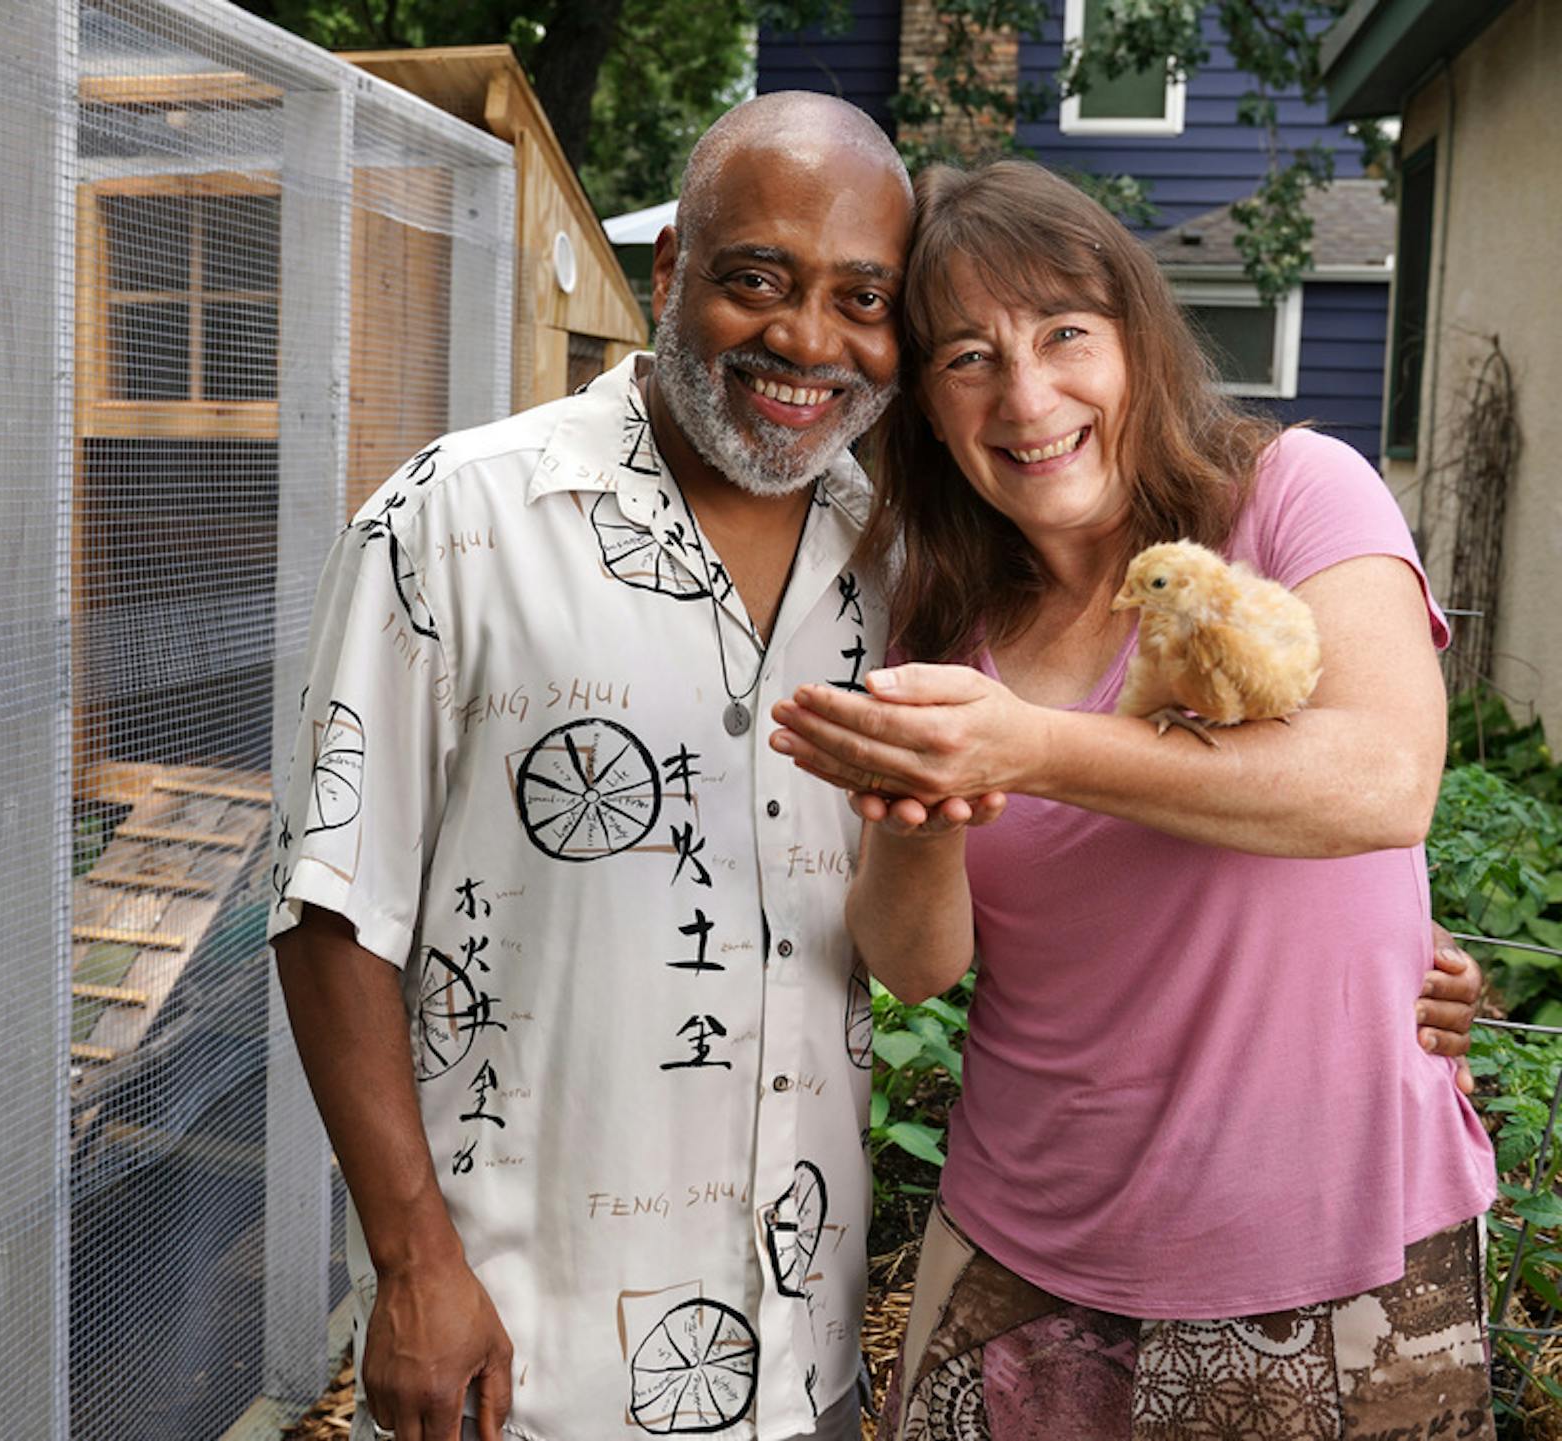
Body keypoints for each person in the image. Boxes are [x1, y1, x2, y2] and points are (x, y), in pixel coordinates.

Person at [270, 100, 1482, 1441]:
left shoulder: (893, 563)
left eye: (861, 300)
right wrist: (410, 1260)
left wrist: (1371, 969)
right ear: (670, 272)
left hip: (810, 1344)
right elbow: (333, 898)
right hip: (548, 1335)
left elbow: (1366, 785)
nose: (806, 338)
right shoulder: (459, 519)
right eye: (756, 281)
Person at [770, 159, 1498, 1439]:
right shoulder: (938, 618)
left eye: (1064, 333)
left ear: (1135, 341)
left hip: (1335, 1256)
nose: (1029, 395)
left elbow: (1386, 781)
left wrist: (1028, 748)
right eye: (968, 358)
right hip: (1023, 1260)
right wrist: (923, 817)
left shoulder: (1290, 493)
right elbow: (918, 966)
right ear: (927, 410)